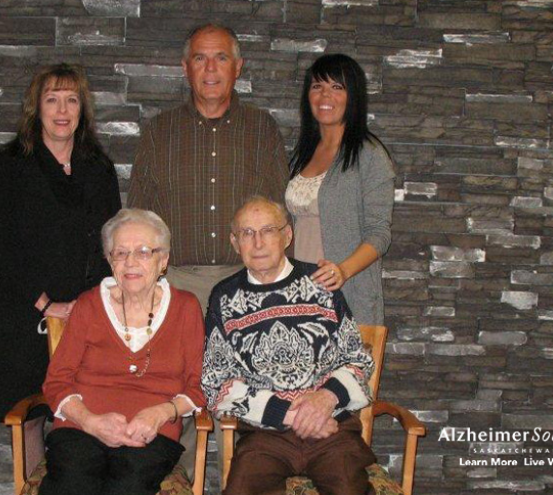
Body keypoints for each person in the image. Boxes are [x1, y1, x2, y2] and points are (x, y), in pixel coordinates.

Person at [0, 64, 121, 465]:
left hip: (86, 315)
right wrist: (46, 305)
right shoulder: (13, 164)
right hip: (26, 312)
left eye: (71, 99)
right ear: (36, 108)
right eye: (52, 99)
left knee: (82, 417)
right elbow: (2, 248)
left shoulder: (99, 167)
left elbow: (112, 245)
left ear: (83, 109)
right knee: (29, 416)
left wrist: (89, 305)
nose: (62, 109)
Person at [202, 196, 377, 495]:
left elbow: (358, 360)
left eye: (268, 230)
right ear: (234, 242)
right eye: (247, 233)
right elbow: (216, 383)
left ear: (287, 235)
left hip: (331, 428)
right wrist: (289, 415)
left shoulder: (322, 284)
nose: (257, 242)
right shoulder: (224, 297)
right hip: (266, 435)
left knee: (349, 489)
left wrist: (325, 399)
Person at [41, 209, 206, 495]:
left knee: (128, 486)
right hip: (80, 427)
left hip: (151, 433)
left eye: (143, 252)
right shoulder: (88, 305)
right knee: (71, 483)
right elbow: (56, 381)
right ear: (109, 260)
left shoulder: (186, 308)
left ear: (163, 260)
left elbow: (199, 385)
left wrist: (161, 413)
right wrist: (89, 421)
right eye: (120, 253)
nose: (130, 262)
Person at [128, 23, 289, 312]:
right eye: (200, 58)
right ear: (186, 67)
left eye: (222, 58)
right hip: (173, 286)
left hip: (250, 283)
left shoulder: (262, 129)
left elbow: (281, 210)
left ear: (237, 67)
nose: (211, 68)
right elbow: (138, 215)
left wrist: (284, 284)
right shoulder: (159, 131)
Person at [286, 53, 395, 326]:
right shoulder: (302, 153)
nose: (325, 96)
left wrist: (342, 271)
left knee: (346, 370)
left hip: (347, 293)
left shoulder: (369, 155)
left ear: (353, 96)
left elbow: (380, 234)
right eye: (317, 86)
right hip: (299, 291)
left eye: (337, 87)